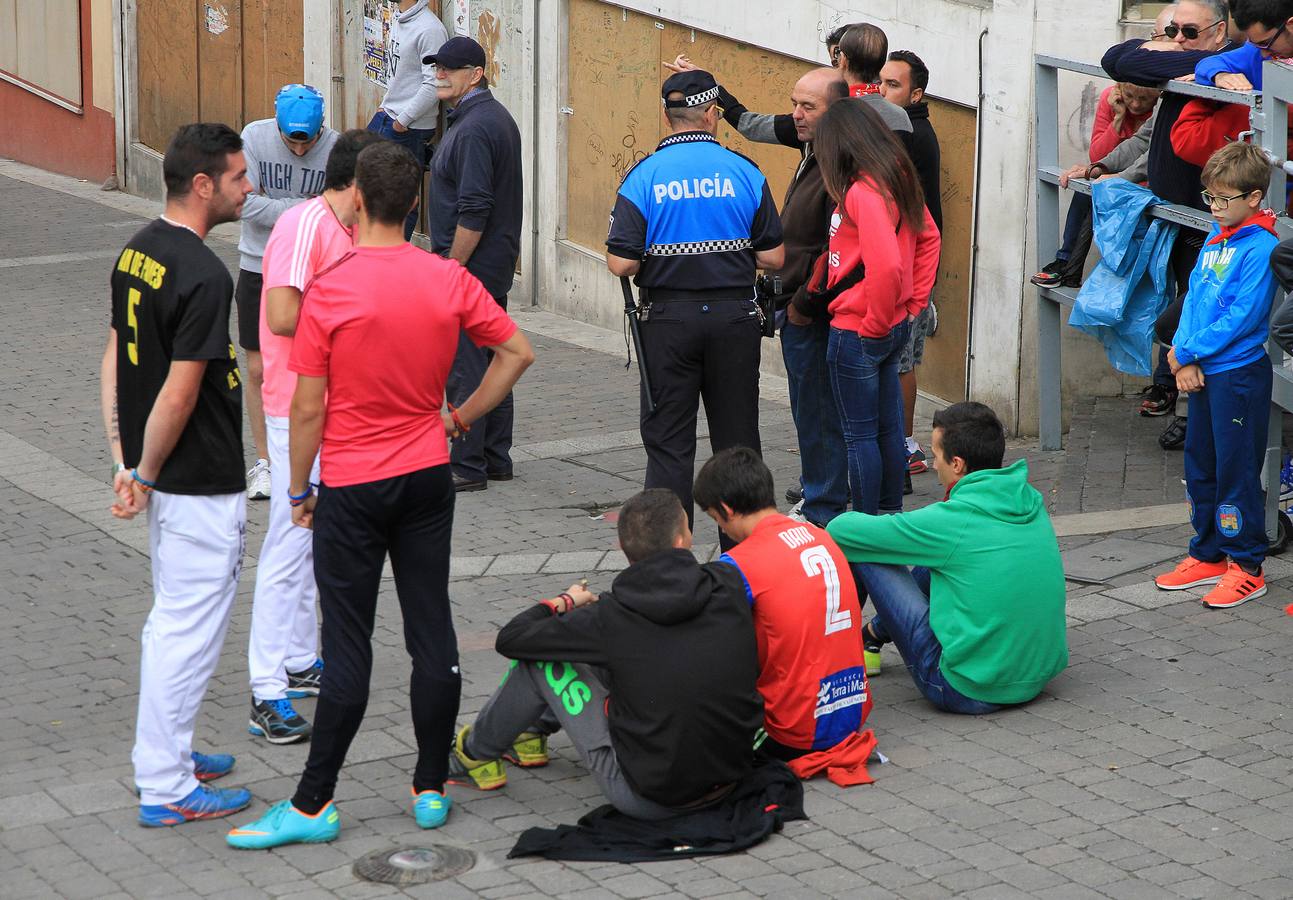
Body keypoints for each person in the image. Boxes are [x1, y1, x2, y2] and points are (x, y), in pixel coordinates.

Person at [225, 141, 535, 849]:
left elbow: (307, 408)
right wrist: (457, 419)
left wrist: (297, 488)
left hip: (351, 484)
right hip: (426, 476)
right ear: (417, 204)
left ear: (358, 199)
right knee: (432, 630)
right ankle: (429, 788)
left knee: (348, 644)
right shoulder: (447, 277)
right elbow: (517, 352)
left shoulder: (331, 289)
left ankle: (314, 804)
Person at [99, 122, 254, 825]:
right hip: (196, 484)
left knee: (174, 622)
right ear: (202, 185)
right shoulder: (203, 274)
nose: (248, 188)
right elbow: (181, 392)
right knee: (185, 633)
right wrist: (146, 473)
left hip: (168, 478)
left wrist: (126, 461)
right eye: (238, 177)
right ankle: (165, 784)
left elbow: (113, 358)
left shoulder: (137, 250)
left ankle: (171, 753)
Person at [446, 488, 763, 819]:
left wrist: (565, 601)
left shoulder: (610, 617)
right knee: (612, 653)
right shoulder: (726, 582)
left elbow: (512, 638)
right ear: (682, 541)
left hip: (651, 799)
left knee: (541, 663)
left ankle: (472, 756)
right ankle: (530, 732)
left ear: (623, 549)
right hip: (731, 779)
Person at [661, 55, 850, 525]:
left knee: (819, 410)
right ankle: (821, 491)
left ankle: (825, 504)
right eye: (794, 104)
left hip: (814, 306)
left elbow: (838, 248)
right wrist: (709, 86)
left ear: (838, 113)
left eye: (807, 107)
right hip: (797, 303)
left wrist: (803, 304)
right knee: (810, 407)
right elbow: (750, 123)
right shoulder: (812, 145)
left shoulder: (840, 164)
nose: (796, 115)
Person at [244, 129, 384, 746]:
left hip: (331, 403)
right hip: (294, 405)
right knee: (289, 539)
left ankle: (299, 660)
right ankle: (265, 689)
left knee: (310, 534)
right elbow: (280, 316)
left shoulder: (348, 229)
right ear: (358, 185)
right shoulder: (305, 226)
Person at [605, 69, 785, 546]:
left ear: (668, 117)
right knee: (738, 443)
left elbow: (621, 262)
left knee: (668, 445)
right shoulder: (744, 171)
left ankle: (667, 561)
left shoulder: (643, 175)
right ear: (711, 115)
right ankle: (746, 558)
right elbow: (774, 257)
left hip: (668, 323)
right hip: (734, 320)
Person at [826, 402, 1069, 713]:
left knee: (866, 545)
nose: (932, 465)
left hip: (965, 689)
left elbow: (840, 530)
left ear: (956, 464)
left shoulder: (952, 521)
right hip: (1036, 677)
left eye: (935, 455)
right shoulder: (1029, 499)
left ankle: (833, 654)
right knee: (939, 557)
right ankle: (872, 635)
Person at [1103, 0, 1237, 449]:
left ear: (1220, 32)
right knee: (1176, 312)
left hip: (1210, 220)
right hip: (1175, 214)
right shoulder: (1196, 64)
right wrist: (1168, 55)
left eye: (1189, 32)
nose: (1178, 40)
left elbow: (1191, 139)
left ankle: (1191, 415)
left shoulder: (1226, 64)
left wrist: (1195, 65)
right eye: (1171, 31)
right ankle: (1177, 399)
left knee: (1195, 316)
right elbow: (1117, 60)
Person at [1153, 142, 1280, 608]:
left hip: (1237, 375)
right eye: (1210, 197)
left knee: (1236, 469)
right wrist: (1182, 354)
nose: (1215, 207)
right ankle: (1207, 551)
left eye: (1224, 199)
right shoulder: (1215, 236)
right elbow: (1193, 297)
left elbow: (1243, 316)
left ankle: (1246, 565)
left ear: (1254, 197)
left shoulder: (1261, 247)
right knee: (1200, 464)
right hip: (1201, 367)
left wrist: (1188, 351)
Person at [694, 448, 871, 758]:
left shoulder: (739, 562)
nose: (721, 529)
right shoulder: (821, 536)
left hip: (793, 731)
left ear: (726, 510)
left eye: (715, 518)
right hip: (852, 711)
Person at [811, 99, 940, 517]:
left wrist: (876, 322)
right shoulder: (897, 178)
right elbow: (929, 238)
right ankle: (888, 514)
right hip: (891, 321)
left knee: (859, 436)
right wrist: (913, 302)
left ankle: (868, 525)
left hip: (861, 327)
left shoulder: (863, 192)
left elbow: (886, 265)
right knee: (887, 429)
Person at [424, 36, 525, 492]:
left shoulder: (476, 128)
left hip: (472, 268)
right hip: (489, 266)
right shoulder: (484, 118)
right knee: (492, 357)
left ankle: (467, 464)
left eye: (449, 68)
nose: (440, 74)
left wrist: (452, 267)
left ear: (476, 74)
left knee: (466, 364)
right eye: (437, 67)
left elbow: (475, 209)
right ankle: (495, 458)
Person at [238, 85, 339, 501]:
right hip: (258, 265)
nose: (299, 151)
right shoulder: (254, 136)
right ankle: (265, 460)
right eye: (291, 141)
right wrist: (306, 209)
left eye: (307, 143)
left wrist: (276, 207)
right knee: (259, 370)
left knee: (313, 365)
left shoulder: (336, 147)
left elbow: (340, 209)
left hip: (316, 271)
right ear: (277, 126)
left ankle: (315, 451)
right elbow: (245, 205)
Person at [879, 49, 948, 487]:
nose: (882, 91)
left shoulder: (909, 133)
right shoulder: (900, 126)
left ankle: (904, 447)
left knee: (901, 361)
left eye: (893, 85)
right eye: (880, 82)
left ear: (916, 94)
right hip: (907, 261)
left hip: (912, 265)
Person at [1033, 82, 1159, 290]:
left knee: (1103, 189)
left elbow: (1151, 158)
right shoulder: (1112, 100)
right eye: (1130, 96)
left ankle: (1078, 272)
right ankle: (1065, 262)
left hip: (1146, 183)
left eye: (1144, 98)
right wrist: (1118, 119)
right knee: (1089, 189)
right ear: (1120, 90)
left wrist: (1115, 178)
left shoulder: (1162, 108)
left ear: (1157, 95)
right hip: (1117, 177)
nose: (1136, 104)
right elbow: (1097, 156)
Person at [367, 0, 449, 239]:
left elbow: (434, 84)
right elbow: (397, 74)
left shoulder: (430, 29)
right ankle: (372, 253)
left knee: (400, 202)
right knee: (365, 188)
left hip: (408, 128)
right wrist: (384, 106)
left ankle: (393, 258)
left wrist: (402, 121)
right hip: (387, 116)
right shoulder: (399, 19)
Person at [833, 24, 914, 150]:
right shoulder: (900, 116)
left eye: (838, 53)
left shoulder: (832, 109)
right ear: (882, 65)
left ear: (843, 60)